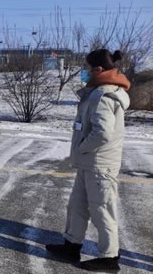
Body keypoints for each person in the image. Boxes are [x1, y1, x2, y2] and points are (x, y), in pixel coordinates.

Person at [46, 49, 130, 272]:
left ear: (98, 70)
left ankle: (109, 258)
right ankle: (71, 245)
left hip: (99, 164)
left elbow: (103, 133)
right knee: (77, 206)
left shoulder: (102, 95)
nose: (84, 72)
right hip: (89, 163)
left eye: (87, 68)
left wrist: (82, 148)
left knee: (102, 209)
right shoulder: (98, 92)